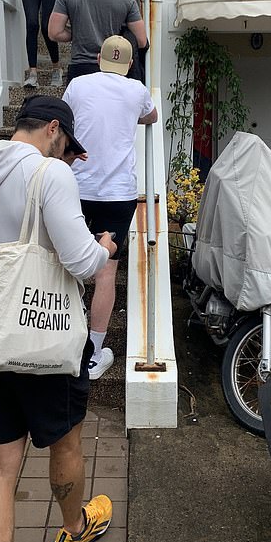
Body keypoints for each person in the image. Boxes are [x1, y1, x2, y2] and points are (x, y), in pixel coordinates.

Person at [0, 95, 117, 542]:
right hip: (43, 334)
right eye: (67, 145)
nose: (67, 156)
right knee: (65, 440)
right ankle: (73, 530)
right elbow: (80, 261)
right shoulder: (50, 174)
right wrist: (103, 247)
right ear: (53, 129)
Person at [63, 36, 158, 378]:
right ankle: (93, 352)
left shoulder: (77, 85)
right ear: (129, 64)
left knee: (68, 264)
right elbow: (153, 116)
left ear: (98, 58)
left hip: (76, 188)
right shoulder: (136, 90)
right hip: (118, 194)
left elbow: (64, 119)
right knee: (106, 273)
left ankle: (63, 340)